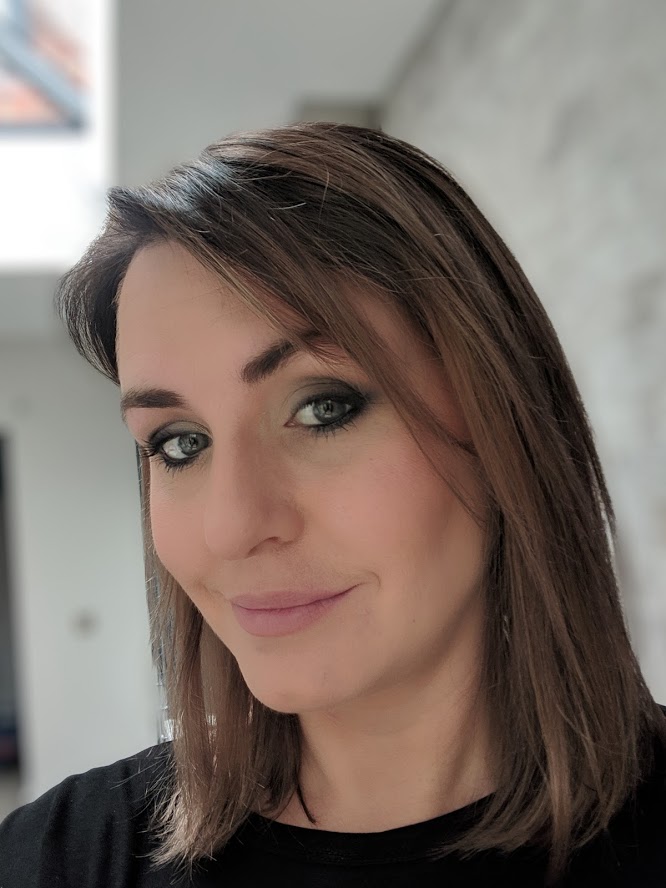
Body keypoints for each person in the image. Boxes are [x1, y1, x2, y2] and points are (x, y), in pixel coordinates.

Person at [0, 122, 664, 887]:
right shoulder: (61, 858)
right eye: (180, 443)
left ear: (500, 421)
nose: (231, 527)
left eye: (323, 408)